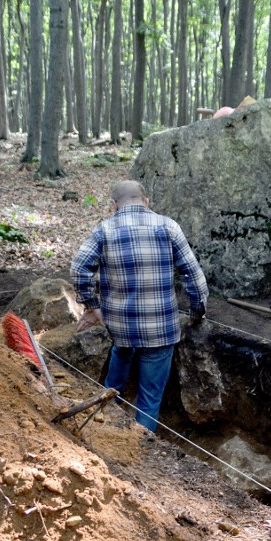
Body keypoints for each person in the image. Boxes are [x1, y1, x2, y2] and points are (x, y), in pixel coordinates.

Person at [70, 180, 209, 432]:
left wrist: (91, 306)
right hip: (160, 329)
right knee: (150, 398)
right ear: (146, 202)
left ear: (114, 206)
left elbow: (79, 268)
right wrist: (197, 310)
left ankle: (105, 422)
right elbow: (193, 274)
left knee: (120, 355)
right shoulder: (168, 226)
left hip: (120, 327)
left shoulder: (104, 230)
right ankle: (142, 446)